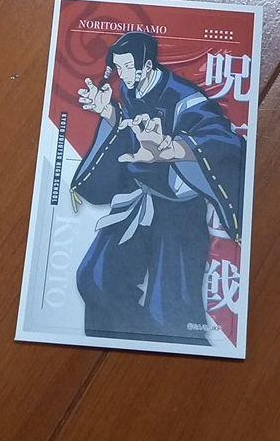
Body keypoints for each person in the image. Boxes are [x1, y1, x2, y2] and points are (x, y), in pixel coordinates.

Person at [72, 32, 245, 343]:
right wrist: (109, 113)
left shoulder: (184, 97)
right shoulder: (130, 90)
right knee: (95, 279)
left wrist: (173, 150)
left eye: (127, 67)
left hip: (179, 215)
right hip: (139, 201)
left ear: (147, 66)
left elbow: (223, 141)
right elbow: (129, 132)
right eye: (119, 67)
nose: (122, 74)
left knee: (171, 313)